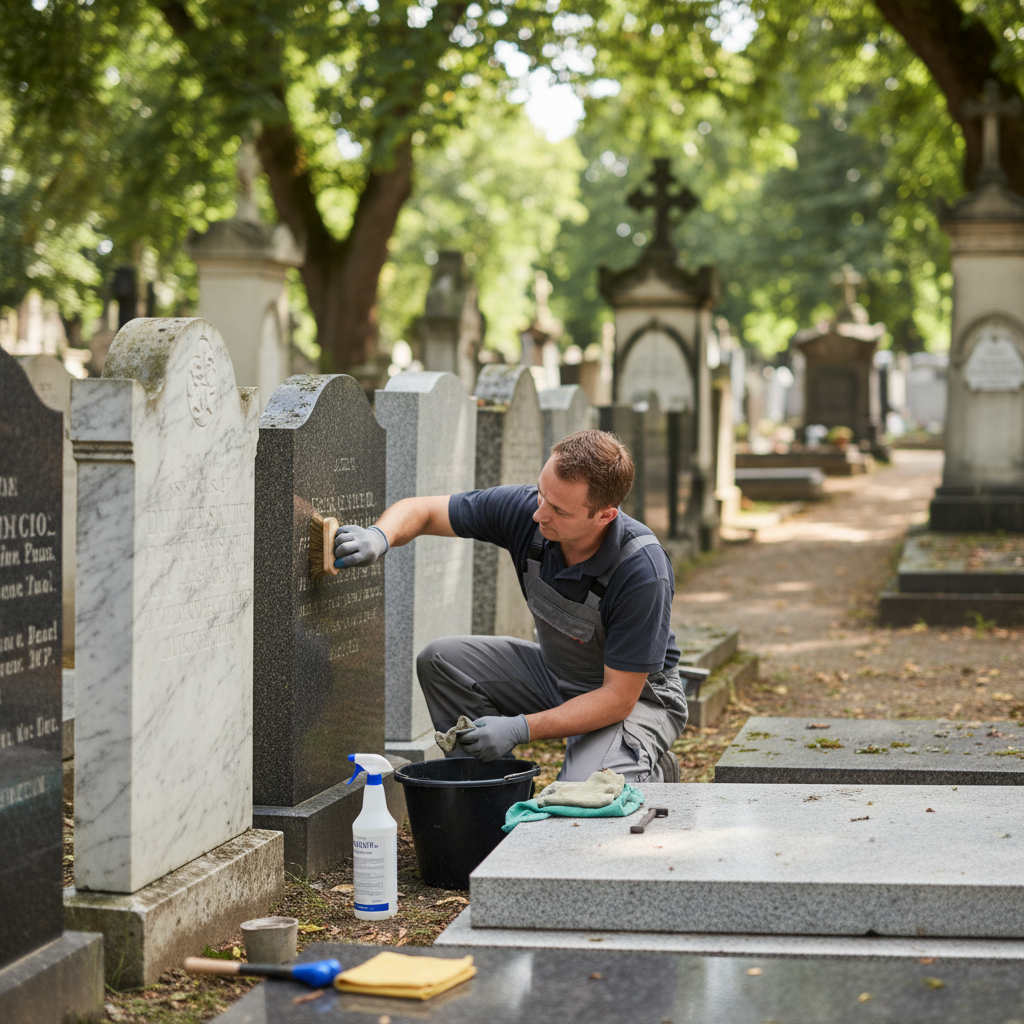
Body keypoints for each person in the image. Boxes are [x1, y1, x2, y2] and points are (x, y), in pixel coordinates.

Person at [333, 429, 687, 782]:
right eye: (541, 494)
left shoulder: (642, 570)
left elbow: (616, 699)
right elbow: (424, 511)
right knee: (441, 661)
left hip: (638, 699)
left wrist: (520, 728)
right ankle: (484, 798)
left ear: (605, 516)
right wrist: (380, 536)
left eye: (559, 510)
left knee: (583, 796)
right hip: (559, 676)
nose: (539, 515)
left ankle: (651, 772)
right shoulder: (527, 510)